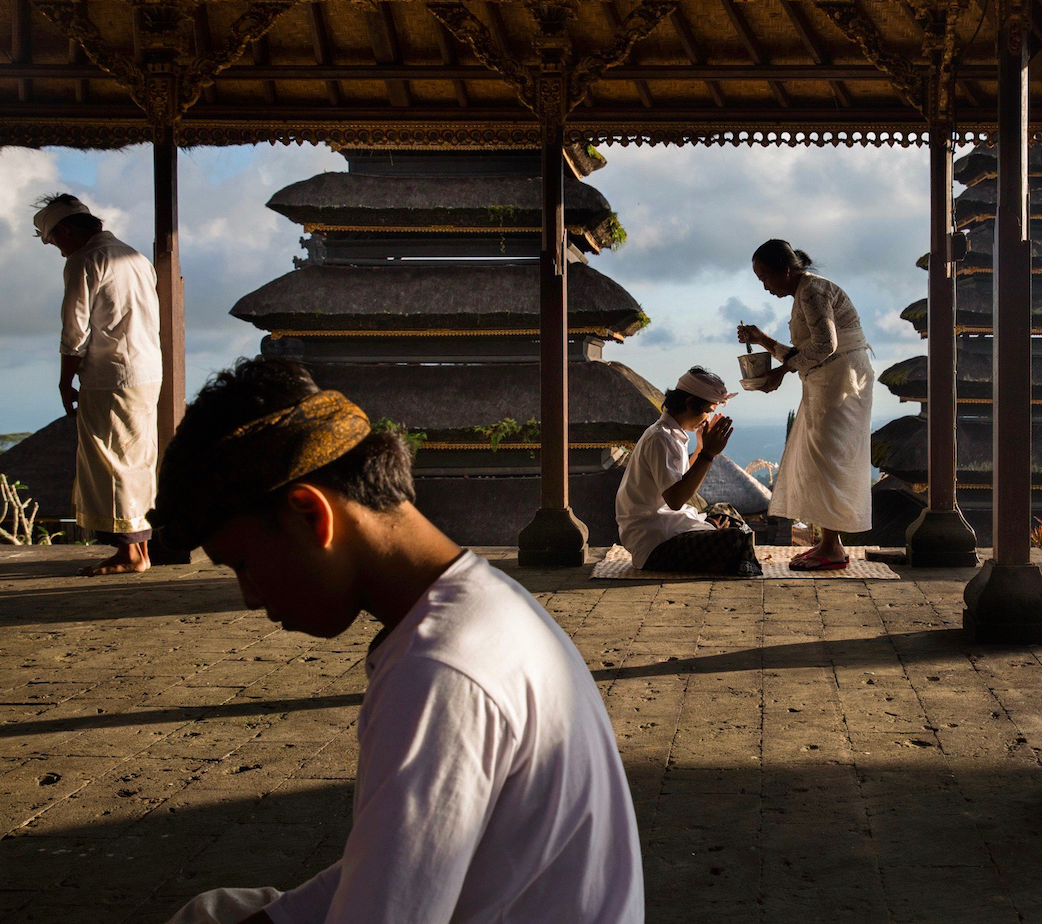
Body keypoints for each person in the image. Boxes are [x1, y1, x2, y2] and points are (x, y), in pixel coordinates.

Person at [148, 358, 643, 924]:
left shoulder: (439, 671)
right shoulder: (485, 605)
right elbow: (412, 855)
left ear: (311, 514)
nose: (249, 597)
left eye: (242, 563)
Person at [35, 193, 161, 576]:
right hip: (146, 370)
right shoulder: (134, 257)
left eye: (55, 241)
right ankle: (140, 549)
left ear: (67, 230)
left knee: (112, 463)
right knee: (136, 460)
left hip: (111, 375)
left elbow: (75, 330)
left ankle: (130, 555)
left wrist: (64, 380)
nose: (58, 251)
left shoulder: (84, 260)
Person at [737, 239, 872, 571]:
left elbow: (826, 345)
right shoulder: (803, 293)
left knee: (829, 458)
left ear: (785, 270)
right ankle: (828, 543)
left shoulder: (812, 291)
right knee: (820, 458)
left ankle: (833, 549)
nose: (765, 286)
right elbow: (805, 353)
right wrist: (763, 341)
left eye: (765, 278)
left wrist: (781, 372)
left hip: (841, 383)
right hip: (826, 383)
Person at [616, 367, 762, 576]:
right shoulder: (660, 438)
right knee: (736, 537)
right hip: (655, 543)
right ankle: (725, 562)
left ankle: (719, 557)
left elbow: (683, 481)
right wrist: (708, 454)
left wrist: (702, 448)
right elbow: (676, 499)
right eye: (707, 411)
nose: (707, 419)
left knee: (726, 512)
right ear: (690, 404)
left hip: (669, 530)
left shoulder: (671, 435)